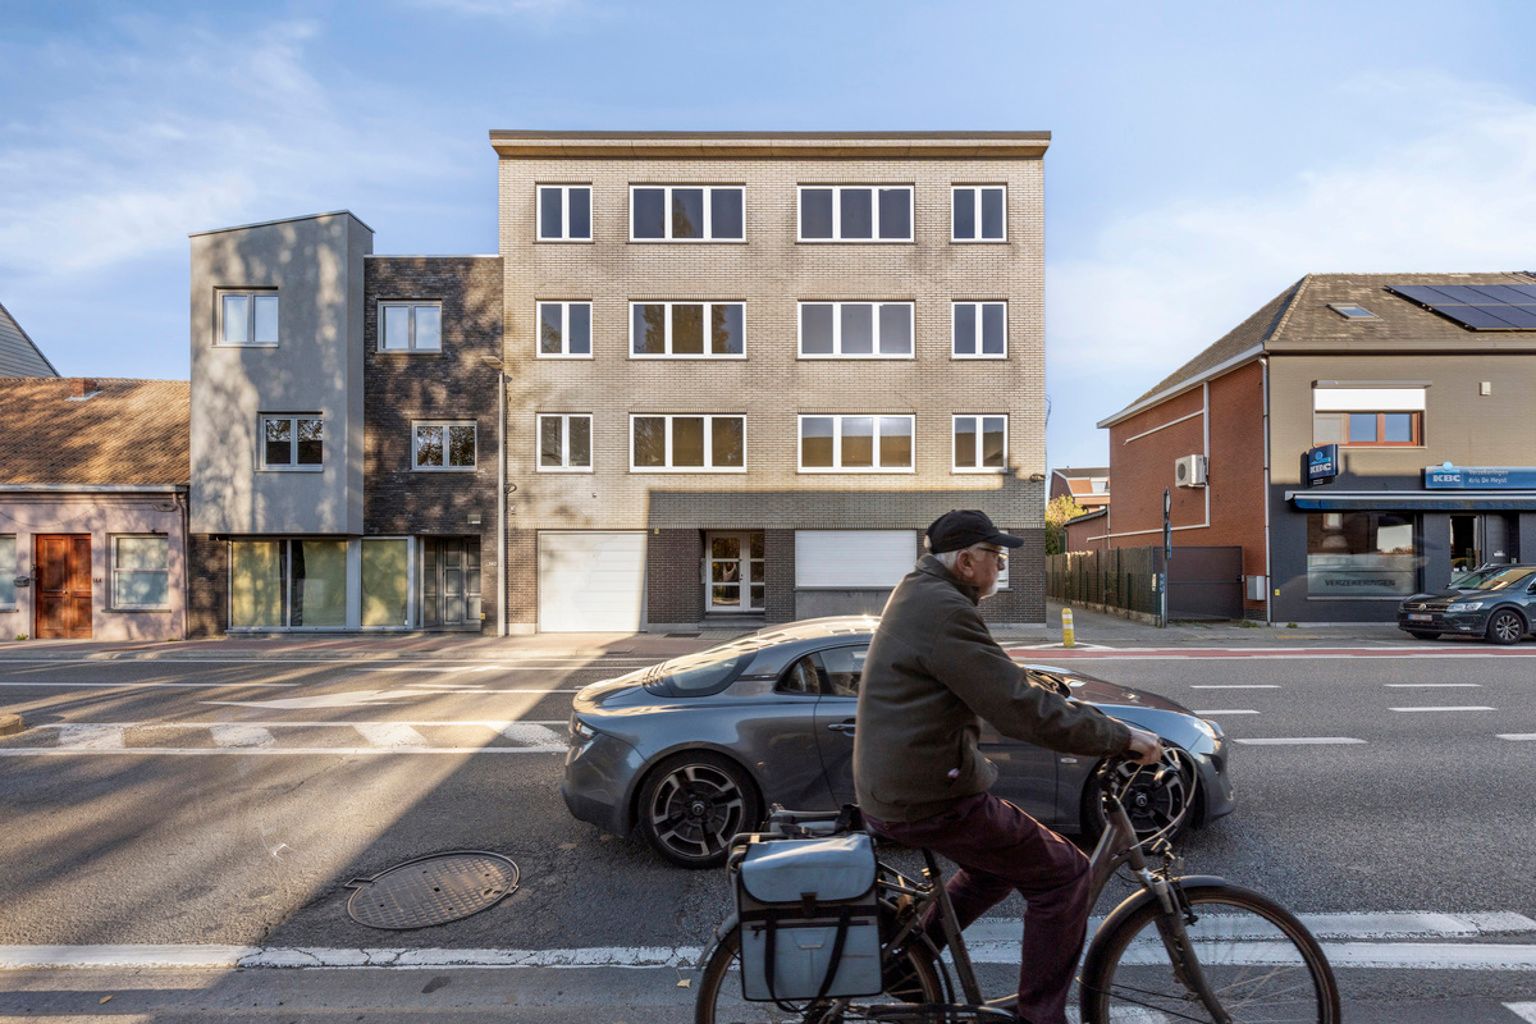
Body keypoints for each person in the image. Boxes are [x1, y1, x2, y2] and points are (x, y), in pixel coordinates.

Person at [853, 509, 1162, 1024]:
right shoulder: (946, 611)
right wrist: (1118, 737)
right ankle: (1041, 1017)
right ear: (966, 561)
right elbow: (1016, 708)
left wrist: (1050, 693)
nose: (1001, 565)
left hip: (902, 783)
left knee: (993, 871)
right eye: (995, 555)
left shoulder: (924, 593)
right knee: (1065, 875)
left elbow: (995, 674)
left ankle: (907, 963)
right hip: (926, 793)